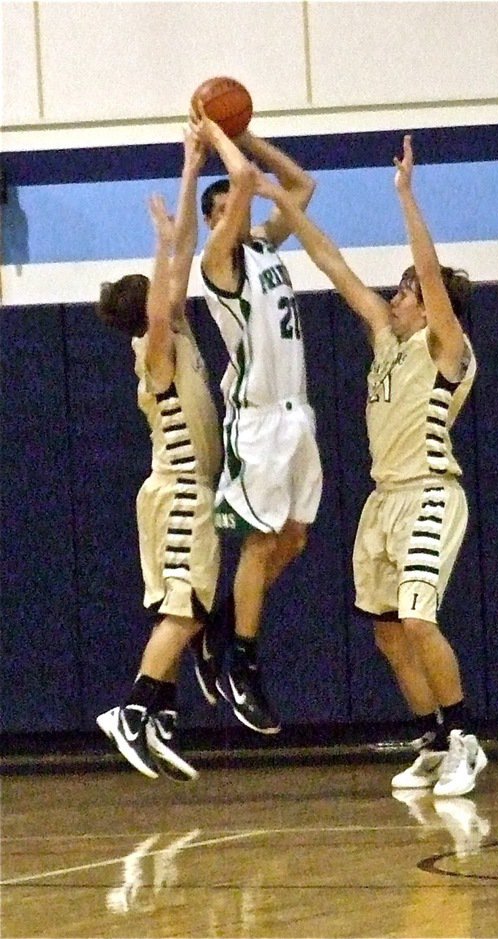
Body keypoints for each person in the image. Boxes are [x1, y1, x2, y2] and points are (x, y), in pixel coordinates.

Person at [253, 135, 486, 797]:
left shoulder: (448, 345)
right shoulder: (385, 338)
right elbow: (333, 265)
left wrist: (406, 196)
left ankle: (468, 739)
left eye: (407, 291)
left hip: (432, 492)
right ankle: (436, 739)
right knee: (388, 633)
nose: (397, 294)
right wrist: (285, 208)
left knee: (418, 619)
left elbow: (431, 273)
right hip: (384, 499)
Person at [95, 126, 220, 782]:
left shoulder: (172, 330)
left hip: (186, 494)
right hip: (179, 494)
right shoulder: (154, 347)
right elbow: (172, 270)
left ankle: (163, 713)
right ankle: (134, 709)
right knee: (186, 608)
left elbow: (186, 258)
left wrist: (190, 167)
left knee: (191, 606)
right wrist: (161, 238)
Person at [191, 107, 321, 735]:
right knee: (261, 541)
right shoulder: (215, 265)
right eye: (227, 211)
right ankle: (243, 663)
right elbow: (242, 181)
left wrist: (244, 136)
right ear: (215, 221)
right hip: (258, 422)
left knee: (294, 538)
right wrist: (213, 130)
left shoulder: (263, 246)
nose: (238, 214)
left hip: (297, 416)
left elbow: (301, 186)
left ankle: (220, 627)